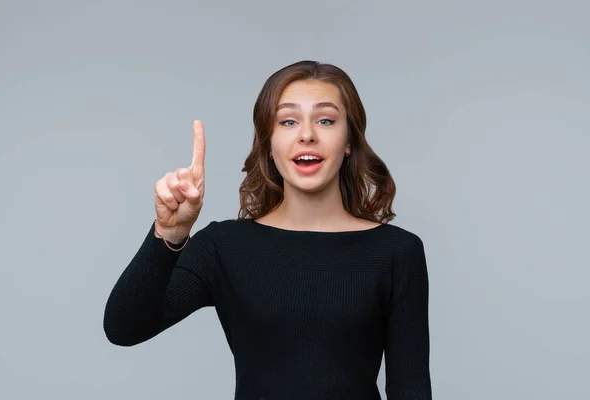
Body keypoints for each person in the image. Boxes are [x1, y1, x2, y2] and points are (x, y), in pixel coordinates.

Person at [103, 60, 432, 399]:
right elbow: (124, 328)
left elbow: (412, 388)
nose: (307, 134)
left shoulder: (396, 252)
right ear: (270, 144)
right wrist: (169, 233)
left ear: (349, 140)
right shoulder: (224, 247)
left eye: (325, 120)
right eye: (288, 121)